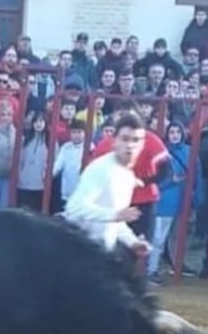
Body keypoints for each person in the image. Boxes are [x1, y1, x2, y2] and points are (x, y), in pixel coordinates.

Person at [61, 111, 151, 260]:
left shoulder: (127, 176)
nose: (130, 145)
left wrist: (132, 241)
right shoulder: (100, 169)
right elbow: (74, 208)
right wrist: (115, 215)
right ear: (114, 141)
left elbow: (114, 222)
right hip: (76, 252)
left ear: (142, 145)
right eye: (125, 139)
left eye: (136, 140)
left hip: (99, 254)